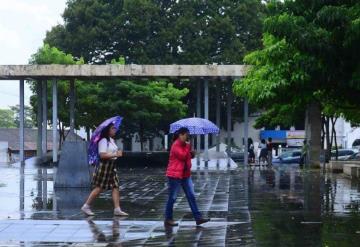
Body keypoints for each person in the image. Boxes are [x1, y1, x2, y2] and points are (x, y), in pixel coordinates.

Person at [164, 127, 210, 226]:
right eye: (186, 135)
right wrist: (188, 149)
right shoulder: (175, 145)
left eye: (188, 135)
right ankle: (168, 219)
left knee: (191, 196)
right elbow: (183, 156)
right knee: (172, 197)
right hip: (175, 175)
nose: (187, 137)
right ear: (181, 135)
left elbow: (189, 156)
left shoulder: (185, 145)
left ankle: (198, 218)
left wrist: (192, 153)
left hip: (185, 175)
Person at [81, 123, 128, 216]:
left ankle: (117, 209)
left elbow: (112, 152)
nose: (115, 130)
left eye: (115, 128)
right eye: (113, 128)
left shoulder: (111, 140)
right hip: (104, 166)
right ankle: (86, 206)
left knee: (115, 186)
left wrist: (117, 153)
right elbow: (102, 155)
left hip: (112, 166)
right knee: (99, 187)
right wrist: (116, 154)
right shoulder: (103, 140)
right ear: (107, 130)